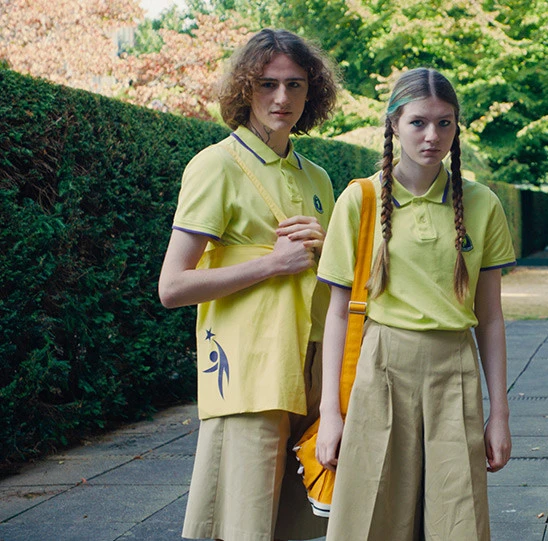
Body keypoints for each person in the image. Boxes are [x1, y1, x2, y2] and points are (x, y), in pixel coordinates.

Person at [314, 67, 515, 541]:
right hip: (382, 368)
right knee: (373, 516)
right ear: (394, 124)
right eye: (418, 122)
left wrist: (500, 414)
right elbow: (337, 313)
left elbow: (490, 319)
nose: (432, 136)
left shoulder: (483, 203)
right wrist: (330, 414)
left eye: (445, 123)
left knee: (458, 518)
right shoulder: (360, 200)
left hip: (454, 368)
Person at [157, 29, 339, 541]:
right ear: (244, 88)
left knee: (300, 524)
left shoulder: (318, 178)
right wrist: (272, 264)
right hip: (248, 372)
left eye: (295, 84)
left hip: (312, 369)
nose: (282, 98)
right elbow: (172, 287)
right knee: (243, 524)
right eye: (267, 84)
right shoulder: (216, 165)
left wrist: (326, 248)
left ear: (312, 92)